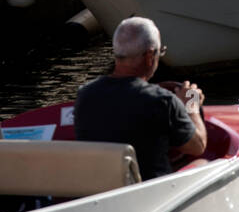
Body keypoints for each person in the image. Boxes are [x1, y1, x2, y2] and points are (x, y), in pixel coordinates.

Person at [74, 18, 207, 181]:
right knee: (203, 163)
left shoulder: (85, 95)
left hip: (99, 190)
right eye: (161, 52)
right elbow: (198, 146)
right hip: (150, 191)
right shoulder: (162, 100)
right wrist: (191, 105)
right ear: (150, 56)